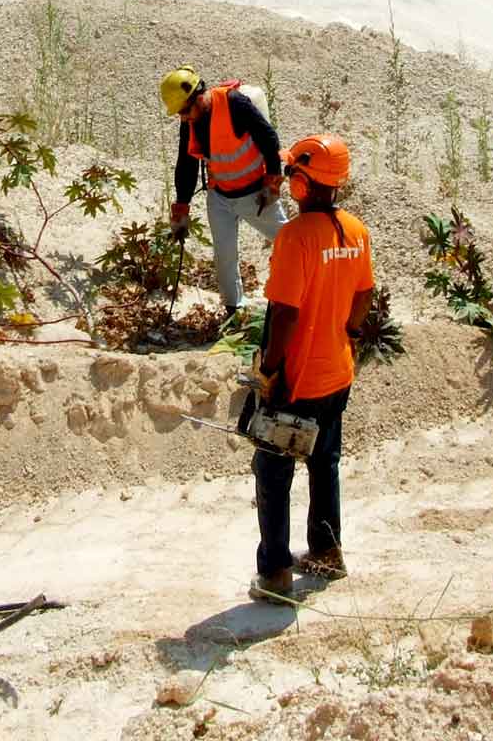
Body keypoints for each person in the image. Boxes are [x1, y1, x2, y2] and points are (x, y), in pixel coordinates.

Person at [245, 133, 373, 604]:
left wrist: (271, 373)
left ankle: (276, 574)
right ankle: (326, 553)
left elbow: (285, 313)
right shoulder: (356, 232)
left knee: (273, 470)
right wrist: (348, 336)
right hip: (336, 372)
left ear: (302, 184)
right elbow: (363, 295)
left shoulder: (295, 237)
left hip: (296, 377)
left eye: (292, 176)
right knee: (325, 462)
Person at [160, 67, 288, 313]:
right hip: (220, 196)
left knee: (291, 241)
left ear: (198, 97)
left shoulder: (234, 103)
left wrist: (273, 180)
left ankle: (314, 290)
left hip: (255, 195)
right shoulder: (190, 120)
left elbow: (269, 139)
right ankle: (234, 310)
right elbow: (186, 163)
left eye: (185, 111)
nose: (183, 118)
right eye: (180, 114)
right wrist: (181, 206)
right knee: (224, 256)